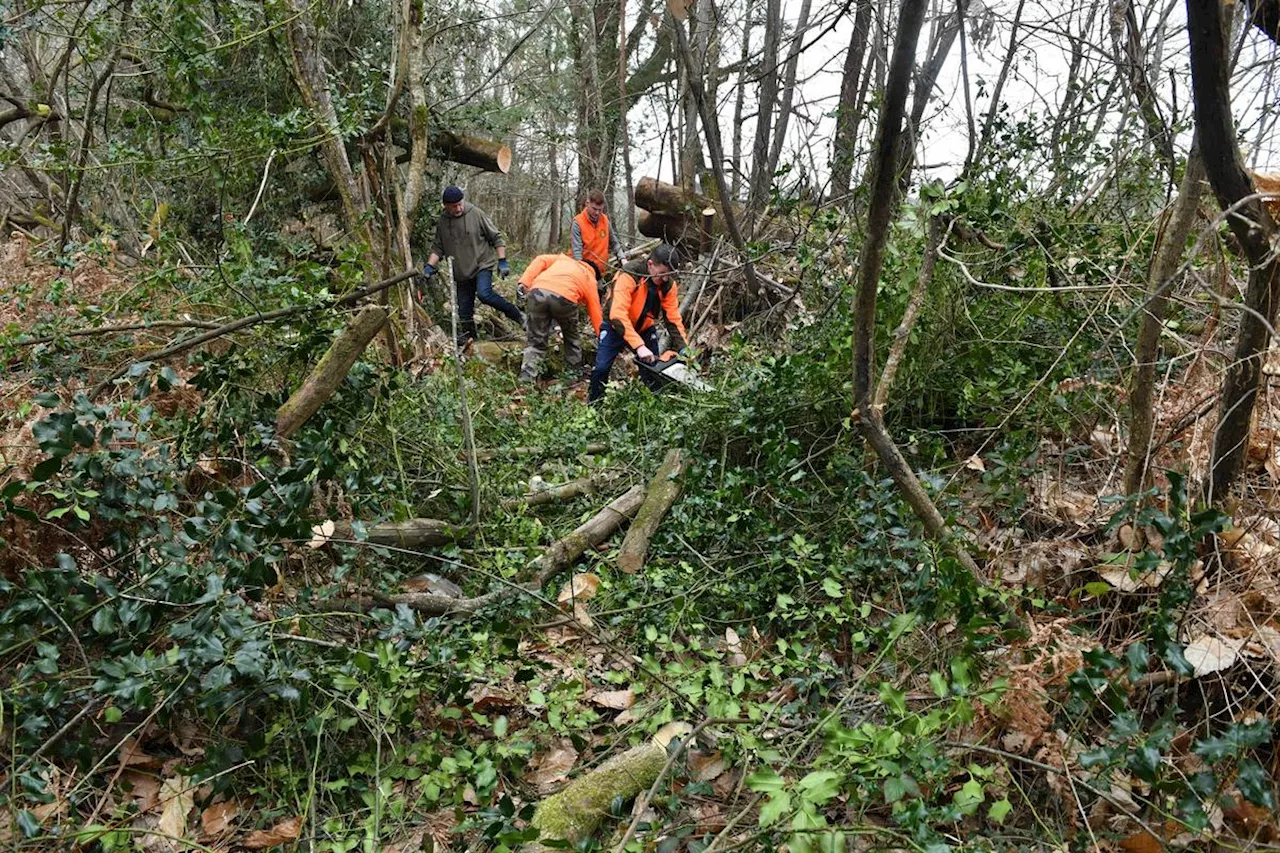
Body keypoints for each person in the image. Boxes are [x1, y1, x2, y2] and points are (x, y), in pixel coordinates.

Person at [420, 186, 523, 345]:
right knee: (464, 310)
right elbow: (438, 247)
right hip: (461, 271)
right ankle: (471, 339)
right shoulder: (443, 221)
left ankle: (519, 316)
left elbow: (496, 237)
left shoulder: (475, 213)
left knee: (484, 294)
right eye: (454, 206)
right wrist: (429, 266)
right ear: (446, 206)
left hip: (482, 264)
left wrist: (502, 261)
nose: (459, 208)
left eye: (460, 204)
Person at [588, 243, 688, 403]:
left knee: (654, 369)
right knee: (601, 368)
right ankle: (594, 407)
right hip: (615, 326)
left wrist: (684, 349)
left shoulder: (668, 285)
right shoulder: (629, 274)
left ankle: (655, 404)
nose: (664, 278)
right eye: (662, 273)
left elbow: (673, 318)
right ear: (650, 264)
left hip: (643, 327)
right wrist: (639, 346)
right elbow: (617, 314)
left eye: (668, 274)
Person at [516, 254, 603, 384]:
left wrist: (524, 282)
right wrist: (603, 337)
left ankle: (526, 380)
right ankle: (571, 378)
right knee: (571, 340)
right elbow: (595, 311)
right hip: (565, 298)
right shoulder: (589, 278)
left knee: (536, 342)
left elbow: (540, 259)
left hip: (537, 292)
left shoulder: (562, 259)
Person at [568, 189, 625, 283]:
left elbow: (614, 243)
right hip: (582, 273)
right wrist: (584, 276)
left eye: (600, 209)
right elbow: (577, 253)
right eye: (594, 209)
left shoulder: (605, 221)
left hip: (600, 273)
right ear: (587, 203)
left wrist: (623, 259)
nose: (597, 213)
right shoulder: (578, 223)